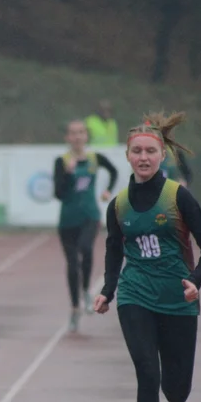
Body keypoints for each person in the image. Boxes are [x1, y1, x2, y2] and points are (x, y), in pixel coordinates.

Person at [93, 112, 201, 402]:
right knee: (147, 372)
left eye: (150, 151)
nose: (143, 157)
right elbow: (115, 251)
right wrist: (108, 290)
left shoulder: (178, 197)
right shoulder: (118, 205)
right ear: (128, 156)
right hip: (136, 296)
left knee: (176, 392)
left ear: (161, 155)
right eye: (137, 152)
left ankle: (170, 386)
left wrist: (195, 281)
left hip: (178, 299)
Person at [53, 119, 119, 332]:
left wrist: (108, 189)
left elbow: (114, 171)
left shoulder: (94, 158)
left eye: (81, 132)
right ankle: (74, 308)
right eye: (73, 133)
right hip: (67, 220)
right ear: (67, 138)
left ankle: (86, 290)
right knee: (72, 263)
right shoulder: (61, 161)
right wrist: (67, 173)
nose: (77, 137)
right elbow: (58, 193)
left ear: (86, 137)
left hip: (90, 215)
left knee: (86, 248)